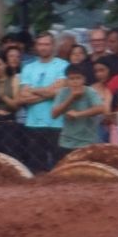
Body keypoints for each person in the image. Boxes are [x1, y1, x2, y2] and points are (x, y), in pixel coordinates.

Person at [15, 32, 70, 169]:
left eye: (47, 44)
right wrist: (49, 92)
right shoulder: (28, 68)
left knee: (60, 166)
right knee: (36, 168)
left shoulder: (63, 65)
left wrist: (33, 90)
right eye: (40, 44)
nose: (43, 47)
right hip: (33, 124)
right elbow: (23, 97)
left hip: (57, 124)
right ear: (36, 46)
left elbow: (60, 92)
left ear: (53, 46)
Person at [52, 66, 106, 156]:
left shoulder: (89, 91)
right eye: (71, 79)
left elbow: (100, 108)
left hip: (87, 142)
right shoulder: (63, 92)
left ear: (84, 79)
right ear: (67, 80)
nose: (75, 82)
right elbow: (54, 114)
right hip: (66, 142)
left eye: (78, 78)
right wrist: (72, 97)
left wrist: (78, 114)